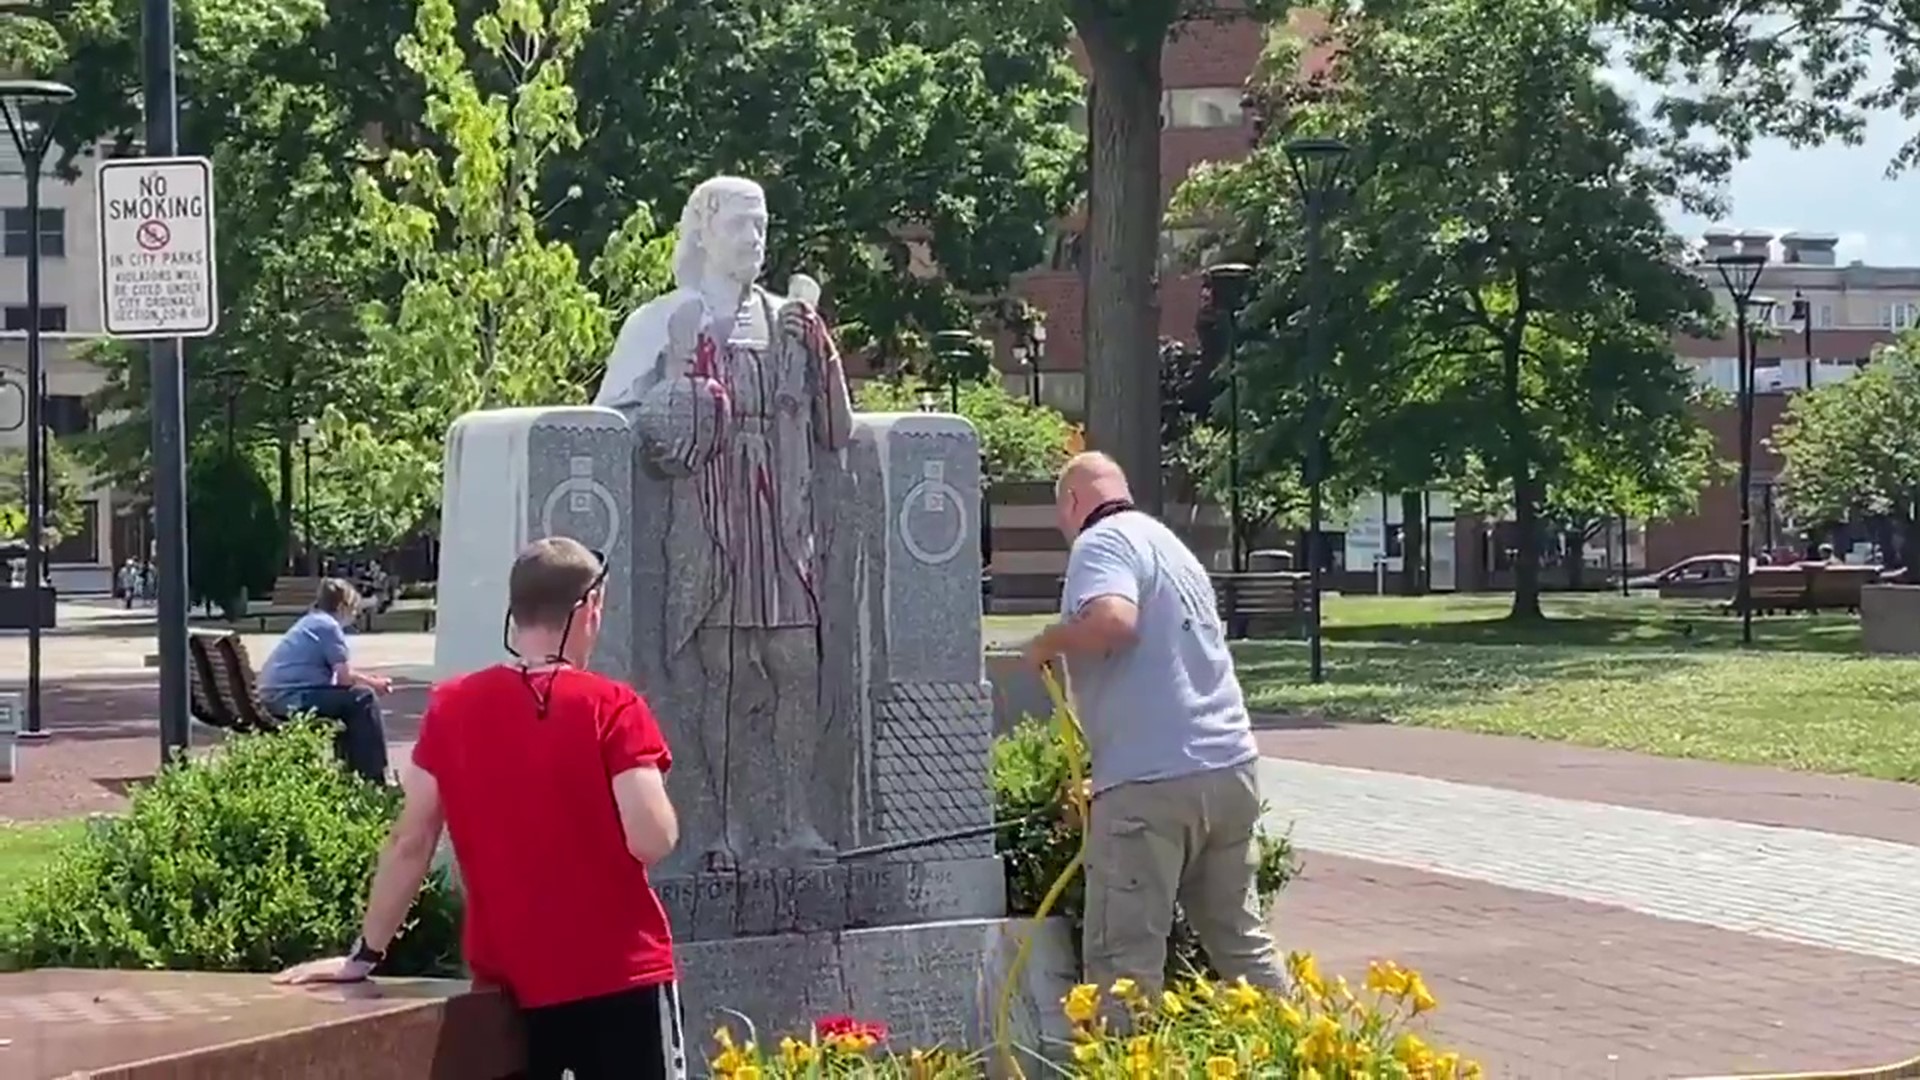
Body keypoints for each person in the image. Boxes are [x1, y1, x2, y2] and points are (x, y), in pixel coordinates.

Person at [276, 537, 686, 1080]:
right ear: (590, 610)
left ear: (515, 616)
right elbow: (651, 839)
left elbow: (410, 842)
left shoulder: (452, 707)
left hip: (508, 990)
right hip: (619, 978)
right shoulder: (613, 707)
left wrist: (363, 957)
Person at [1021, 452, 1283, 997]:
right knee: (1239, 940)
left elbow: (1113, 622)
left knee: (1123, 963)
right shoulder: (1170, 546)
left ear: (1072, 503)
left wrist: (1049, 640)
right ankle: (1305, 1054)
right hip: (1229, 766)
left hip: (1152, 783)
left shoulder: (1102, 542)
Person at [257, 578, 393, 782]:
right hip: (292, 699)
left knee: (349, 703)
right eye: (354, 610)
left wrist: (368, 680)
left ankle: (353, 773)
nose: (355, 616)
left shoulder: (311, 621)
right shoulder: (328, 626)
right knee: (363, 699)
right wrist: (373, 684)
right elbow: (344, 679)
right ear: (342, 606)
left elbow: (340, 679)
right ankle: (374, 778)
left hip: (276, 695)